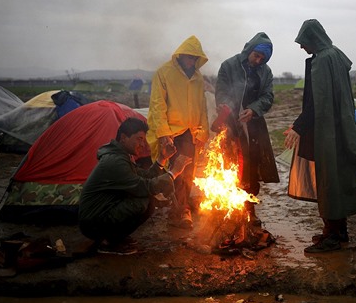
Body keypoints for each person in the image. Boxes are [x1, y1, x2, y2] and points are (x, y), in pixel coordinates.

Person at [284, 19, 356, 253]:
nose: (302, 48)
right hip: (341, 127)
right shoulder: (336, 55)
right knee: (335, 176)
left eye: (303, 42)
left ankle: (335, 237)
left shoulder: (323, 61)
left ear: (313, 39)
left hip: (328, 131)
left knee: (328, 179)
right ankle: (336, 230)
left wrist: (299, 126)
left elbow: (317, 103)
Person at [79, 117, 192, 255]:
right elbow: (144, 186)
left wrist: (162, 159)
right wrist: (174, 172)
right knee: (143, 199)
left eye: (144, 140)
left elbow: (144, 176)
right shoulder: (115, 161)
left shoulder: (121, 156)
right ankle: (107, 242)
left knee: (147, 200)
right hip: (93, 222)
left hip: (101, 214)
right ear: (124, 138)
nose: (143, 144)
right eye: (139, 139)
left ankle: (115, 237)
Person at [214, 32, 280, 226]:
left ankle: (248, 209)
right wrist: (227, 108)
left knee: (251, 167)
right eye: (256, 55)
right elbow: (222, 91)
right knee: (229, 165)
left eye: (262, 58)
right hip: (229, 122)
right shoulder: (229, 65)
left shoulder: (265, 72)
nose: (258, 61)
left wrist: (253, 110)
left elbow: (268, 97)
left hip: (253, 125)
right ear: (249, 50)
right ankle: (227, 209)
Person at [146, 35, 210, 229]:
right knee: (177, 172)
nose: (191, 61)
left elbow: (202, 106)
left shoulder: (198, 78)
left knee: (188, 172)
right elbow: (157, 105)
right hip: (173, 132)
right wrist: (164, 133)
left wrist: (203, 132)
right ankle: (181, 211)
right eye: (188, 57)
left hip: (191, 132)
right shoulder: (164, 73)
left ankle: (180, 209)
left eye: (194, 57)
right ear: (180, 55)